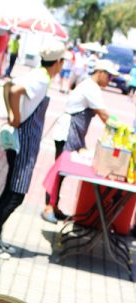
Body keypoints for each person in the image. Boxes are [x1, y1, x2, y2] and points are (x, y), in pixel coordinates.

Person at [0, 41, 65, 259]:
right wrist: (14, 116)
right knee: (15, 195)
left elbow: (8, 86)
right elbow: (14, 90)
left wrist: (12, 114)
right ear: (59, 63)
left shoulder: (38, 73)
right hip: (23, 142)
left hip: (23, 141)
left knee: (12, 192)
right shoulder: (42, 78)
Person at [42, 59, 115, 223]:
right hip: (68, 132)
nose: (110, 80)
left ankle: (54, 205)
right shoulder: (91, 88)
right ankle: (48, 207)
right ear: (101, 72)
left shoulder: (89, 85)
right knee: (59, 171)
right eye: (109, 76)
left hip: (75, 133)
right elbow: (104, 115)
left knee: (63, 171)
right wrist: (120, 129)